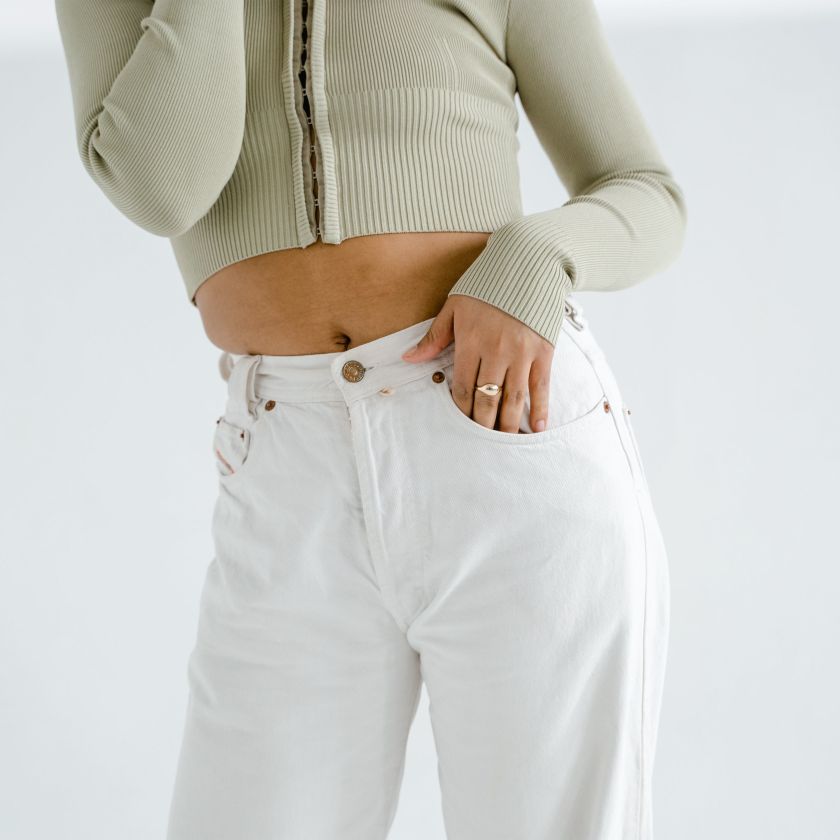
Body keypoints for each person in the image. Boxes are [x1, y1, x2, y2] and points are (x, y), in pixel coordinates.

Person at [55, 0, 687, 837]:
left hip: (504, 429)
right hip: (285, 466)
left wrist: (536, 256)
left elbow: (644, 189)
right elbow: (161, 188)